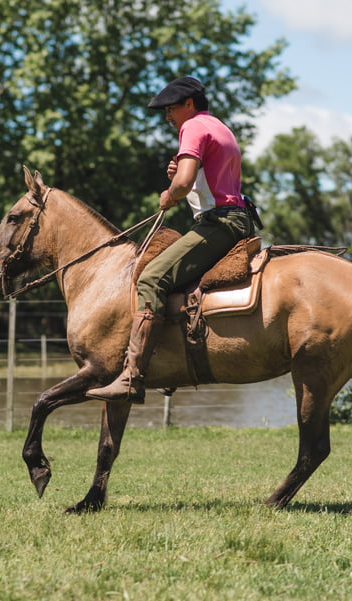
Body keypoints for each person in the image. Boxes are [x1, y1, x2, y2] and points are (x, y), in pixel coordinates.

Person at [87, 76, 254, 403]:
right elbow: (204, 177)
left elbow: (186, 181)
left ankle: (133, 377)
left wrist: (172, 192)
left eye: (171, 109)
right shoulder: (220, 127)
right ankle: (169, 364)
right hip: (235, 218)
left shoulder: (191, 127)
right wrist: (179, 178)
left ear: (189, 105)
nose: (167, 116)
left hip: (219, 222)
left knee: (150, 278)